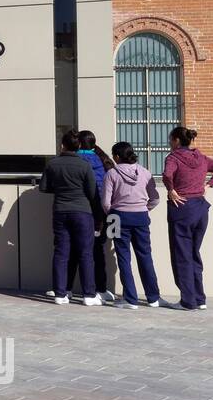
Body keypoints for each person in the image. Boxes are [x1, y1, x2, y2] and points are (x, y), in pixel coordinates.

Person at [162, 126, 213, 310]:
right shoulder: (202, 158)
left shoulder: (173, 158)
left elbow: (167, 174)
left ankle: (187, 300)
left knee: (181, 255)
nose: (169, 142)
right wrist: (209, 185)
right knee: (194, 253)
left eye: (171, 139)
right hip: (200, 208)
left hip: (182, 208)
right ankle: (200, 299)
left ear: (176, 140)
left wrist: (171, 190)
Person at [39, 130, 104, 306]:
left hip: (60, 210)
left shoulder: (52, 164)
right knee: (85, 253)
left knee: (61, 252)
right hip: (82, 212)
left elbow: (43, 187)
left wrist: (61, 190)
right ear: (79, 146)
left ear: (62, 145)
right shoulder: (84, 165)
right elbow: (92, 192)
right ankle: (88, 295)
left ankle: (60, 294)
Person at [102, 142, 162, 309]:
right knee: (145, 255)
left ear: (117, 156)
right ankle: (153, 297)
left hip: (117, 217)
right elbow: (155, 198)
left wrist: (114, 213)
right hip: (141, 217)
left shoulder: (111, 174)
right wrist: (143, 208)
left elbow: (106, 203)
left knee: (123, 257)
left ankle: (130, 298)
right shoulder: (145, 172)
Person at [67, 130, 116, 302]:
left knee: (73, 249)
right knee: (97, 251)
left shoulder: (74, 160)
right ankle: (100, 288)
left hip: (78, 210)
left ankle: (67, 288)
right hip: (99, 215)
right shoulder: (102, 160)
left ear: (78, 143)